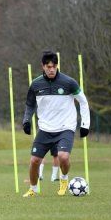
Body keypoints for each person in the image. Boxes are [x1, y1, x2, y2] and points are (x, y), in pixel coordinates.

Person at [22, 51, 90, 197]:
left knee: (63, 156)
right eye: (48, 66)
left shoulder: (69, 82)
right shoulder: (35, 84)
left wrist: (85, 124)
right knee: (34, 161)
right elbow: (29, 104)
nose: (51, 69)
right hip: (45, 129)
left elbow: (83, 101)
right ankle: (33, 189)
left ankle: (64, 179)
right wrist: (26, 120)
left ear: (57, 65)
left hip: (66, 127)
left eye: (54, 66)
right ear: (43, 66)